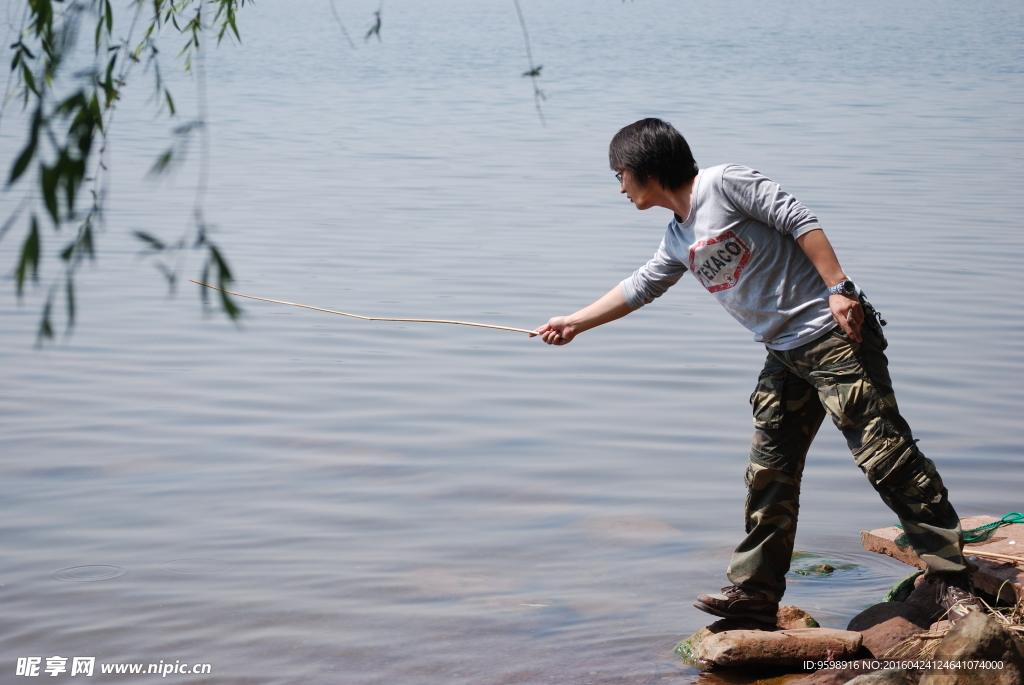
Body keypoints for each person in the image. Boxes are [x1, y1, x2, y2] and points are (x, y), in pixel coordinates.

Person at [533, 118, 980, 626]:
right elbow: (640, 286)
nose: (618, 188)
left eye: (619, 175)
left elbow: (798, 219)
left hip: (833, 335)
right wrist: (573, 323)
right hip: (784, 354)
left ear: (644, 169)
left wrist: (840, 287)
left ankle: (949, 576)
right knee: (769, 471)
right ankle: (755, 593)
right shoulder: (678, 237)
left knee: (886, 455)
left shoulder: (724, 183)